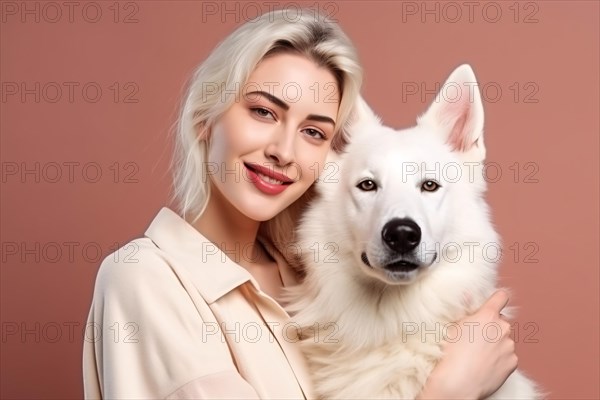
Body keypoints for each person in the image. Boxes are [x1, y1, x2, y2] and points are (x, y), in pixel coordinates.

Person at [82, 8, 518, 400]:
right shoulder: (145, 279)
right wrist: (448, 393)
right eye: (263, 112)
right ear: (205, 117)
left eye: (314, 131)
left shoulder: (304, 279)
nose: (284, 151)